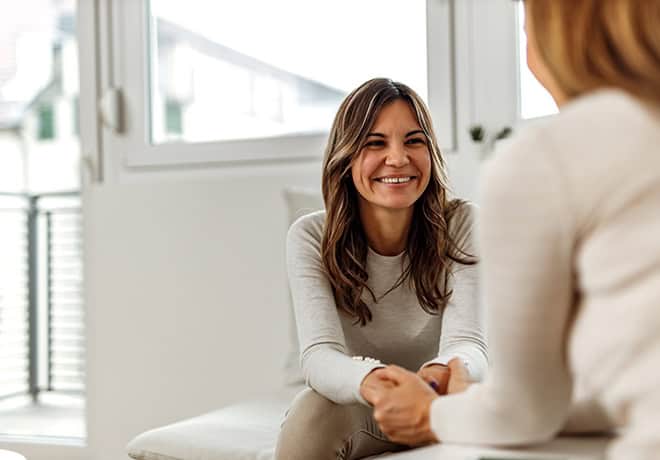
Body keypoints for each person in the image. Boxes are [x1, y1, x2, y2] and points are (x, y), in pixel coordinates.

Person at [368, 1, 660, 459]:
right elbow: (631, 387)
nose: (397, 159)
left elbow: (525, 411)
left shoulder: (547, 159)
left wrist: (430, 414)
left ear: (559, 35)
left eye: (527, 27)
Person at [274, 78, 488, 460]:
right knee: (311, 411)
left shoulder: (461, 224)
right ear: (347, 156)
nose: (398, 158)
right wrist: (377, 383)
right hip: (366, 402)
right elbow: (320, 355)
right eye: (376, 143)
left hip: (444, 401)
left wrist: (434, 379)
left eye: (413, 141)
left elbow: (468, 343)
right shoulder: (309, 236)